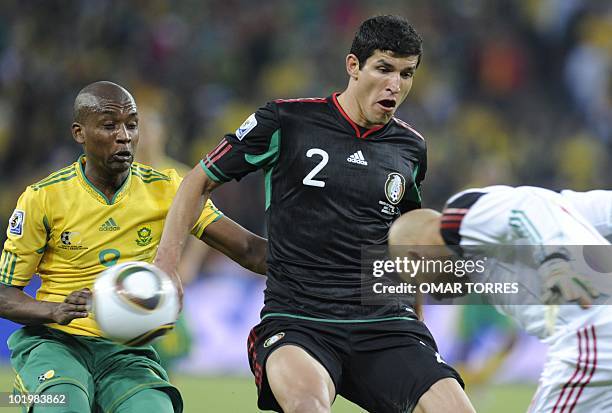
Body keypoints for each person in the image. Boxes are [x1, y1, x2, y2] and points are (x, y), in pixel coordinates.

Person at [155, 15, 474, 413]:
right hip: (299, 320)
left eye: (407, 74)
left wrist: (418, 321)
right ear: (353, 66)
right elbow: (195, 182)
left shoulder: (410, 147)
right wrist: (167, 262)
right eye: (384, 69)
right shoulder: (286, 121)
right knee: (308, 407)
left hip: (385, 323)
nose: (396, 85)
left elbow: (404, 242)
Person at [0, 81, 267, 413]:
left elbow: (250, 250)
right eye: (110, 126)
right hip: (56, 344)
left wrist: (325, 258)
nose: (124, 135)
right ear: (79, 133)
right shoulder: (43, 198)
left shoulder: (170, 189)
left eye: (132, 124)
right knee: (65, 406)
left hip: (127, 352)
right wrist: (53, 311)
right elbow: (5, 294)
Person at [389, 185, 612, 412]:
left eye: (419, 281)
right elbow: (592, 211)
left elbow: (529, 206)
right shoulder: (494, 251)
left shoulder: (458, 217)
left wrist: (555, 261)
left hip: (589, 333)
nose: (433, 293)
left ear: (415, 255)